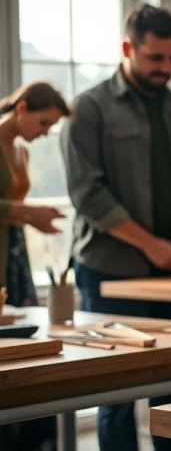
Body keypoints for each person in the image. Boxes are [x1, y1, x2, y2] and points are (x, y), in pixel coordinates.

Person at [61, 3, 171, 451]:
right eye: (154, 58)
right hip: (111, 273)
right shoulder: (88, 110)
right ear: (128, 48)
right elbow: (88, 194)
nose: (165, 68)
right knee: (116, 393)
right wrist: (151, 246)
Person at [0, 82, 69, 451]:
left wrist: (33, 219)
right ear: (22, 108)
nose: (44, 133)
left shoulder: (20, 151)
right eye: (43, 123)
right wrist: (27, 212)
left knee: (25, 341)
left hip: (15, 255)